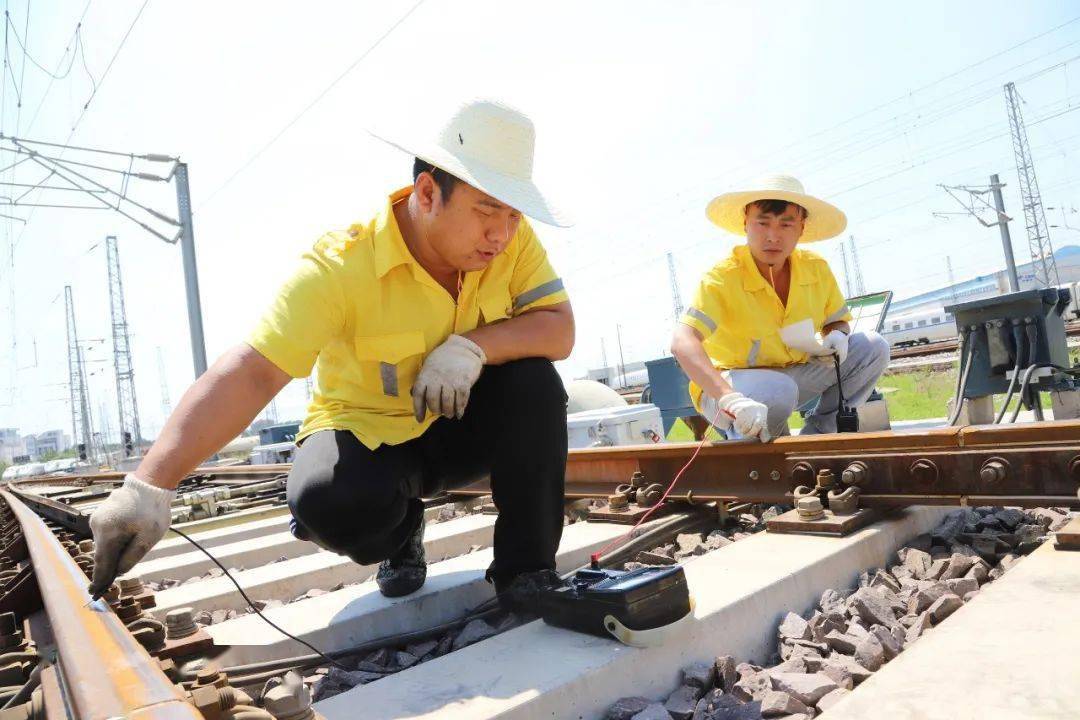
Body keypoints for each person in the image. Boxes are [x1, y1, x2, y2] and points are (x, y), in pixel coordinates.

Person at [87, 99, 575, 612]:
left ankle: (527, 571)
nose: (501, 233)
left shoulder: (511, 244)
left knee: (535, 383)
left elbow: (559, 329)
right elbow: (255, 371)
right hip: (370, 438)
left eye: (513, 215)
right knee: (325, 501)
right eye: (486, 211)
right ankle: (403, 531)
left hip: (458, 425)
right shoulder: (341, 266)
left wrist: (475, 346)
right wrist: (150, 487)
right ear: (428, 193)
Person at [671, 174, 889, 441]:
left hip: (791, 377)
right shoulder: (723, 277)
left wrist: (838, 335)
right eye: (762, 223)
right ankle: (756, 446)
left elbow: (837, 320)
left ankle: (818, 437)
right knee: (778, 389)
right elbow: (683, 342)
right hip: (730, 389)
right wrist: (730, 399)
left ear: (801, 228)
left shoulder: (815, 269)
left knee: (872, 347)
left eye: (786, 224)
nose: (773, 236)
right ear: (745, 224)